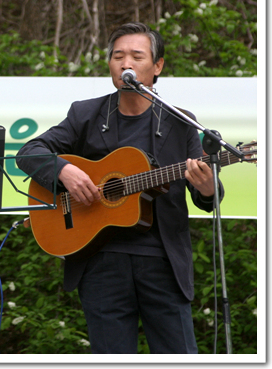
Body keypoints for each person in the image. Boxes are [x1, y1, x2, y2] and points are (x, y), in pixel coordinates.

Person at [16, 22, 223, 354]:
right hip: (100, 260)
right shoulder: (85, 114)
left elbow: (206, 197)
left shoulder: (181, 121)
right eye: (118, 56)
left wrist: (208, 188)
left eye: (136, 56)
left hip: (163, 260)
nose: (126, 63)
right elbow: (28, 153)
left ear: (157, 67)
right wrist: (64, 171)